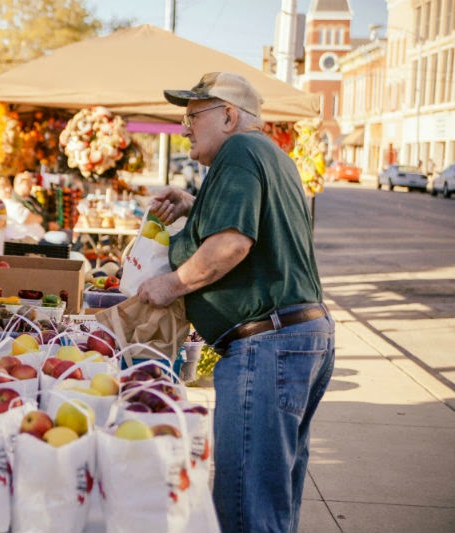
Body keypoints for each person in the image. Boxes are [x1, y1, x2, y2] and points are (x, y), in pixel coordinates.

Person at [138, 72, 335, 533]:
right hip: (295, 339)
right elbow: (254, 225)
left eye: (192, 115)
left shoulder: (239, 152)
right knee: (271, 500)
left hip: (267, 346)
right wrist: (194, 203)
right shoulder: (267, 154)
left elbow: (231, 245)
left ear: (228, 115)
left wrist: (171, 286)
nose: (184, 126)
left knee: (247, 509)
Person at [0, 175, 46, 242]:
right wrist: (41, 218)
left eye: (9, 185)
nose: (9, 189)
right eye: (4, 188)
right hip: (29, 244)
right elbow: (31, 218)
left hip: (30, 242)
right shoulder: (6, 204)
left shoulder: (3, 204)